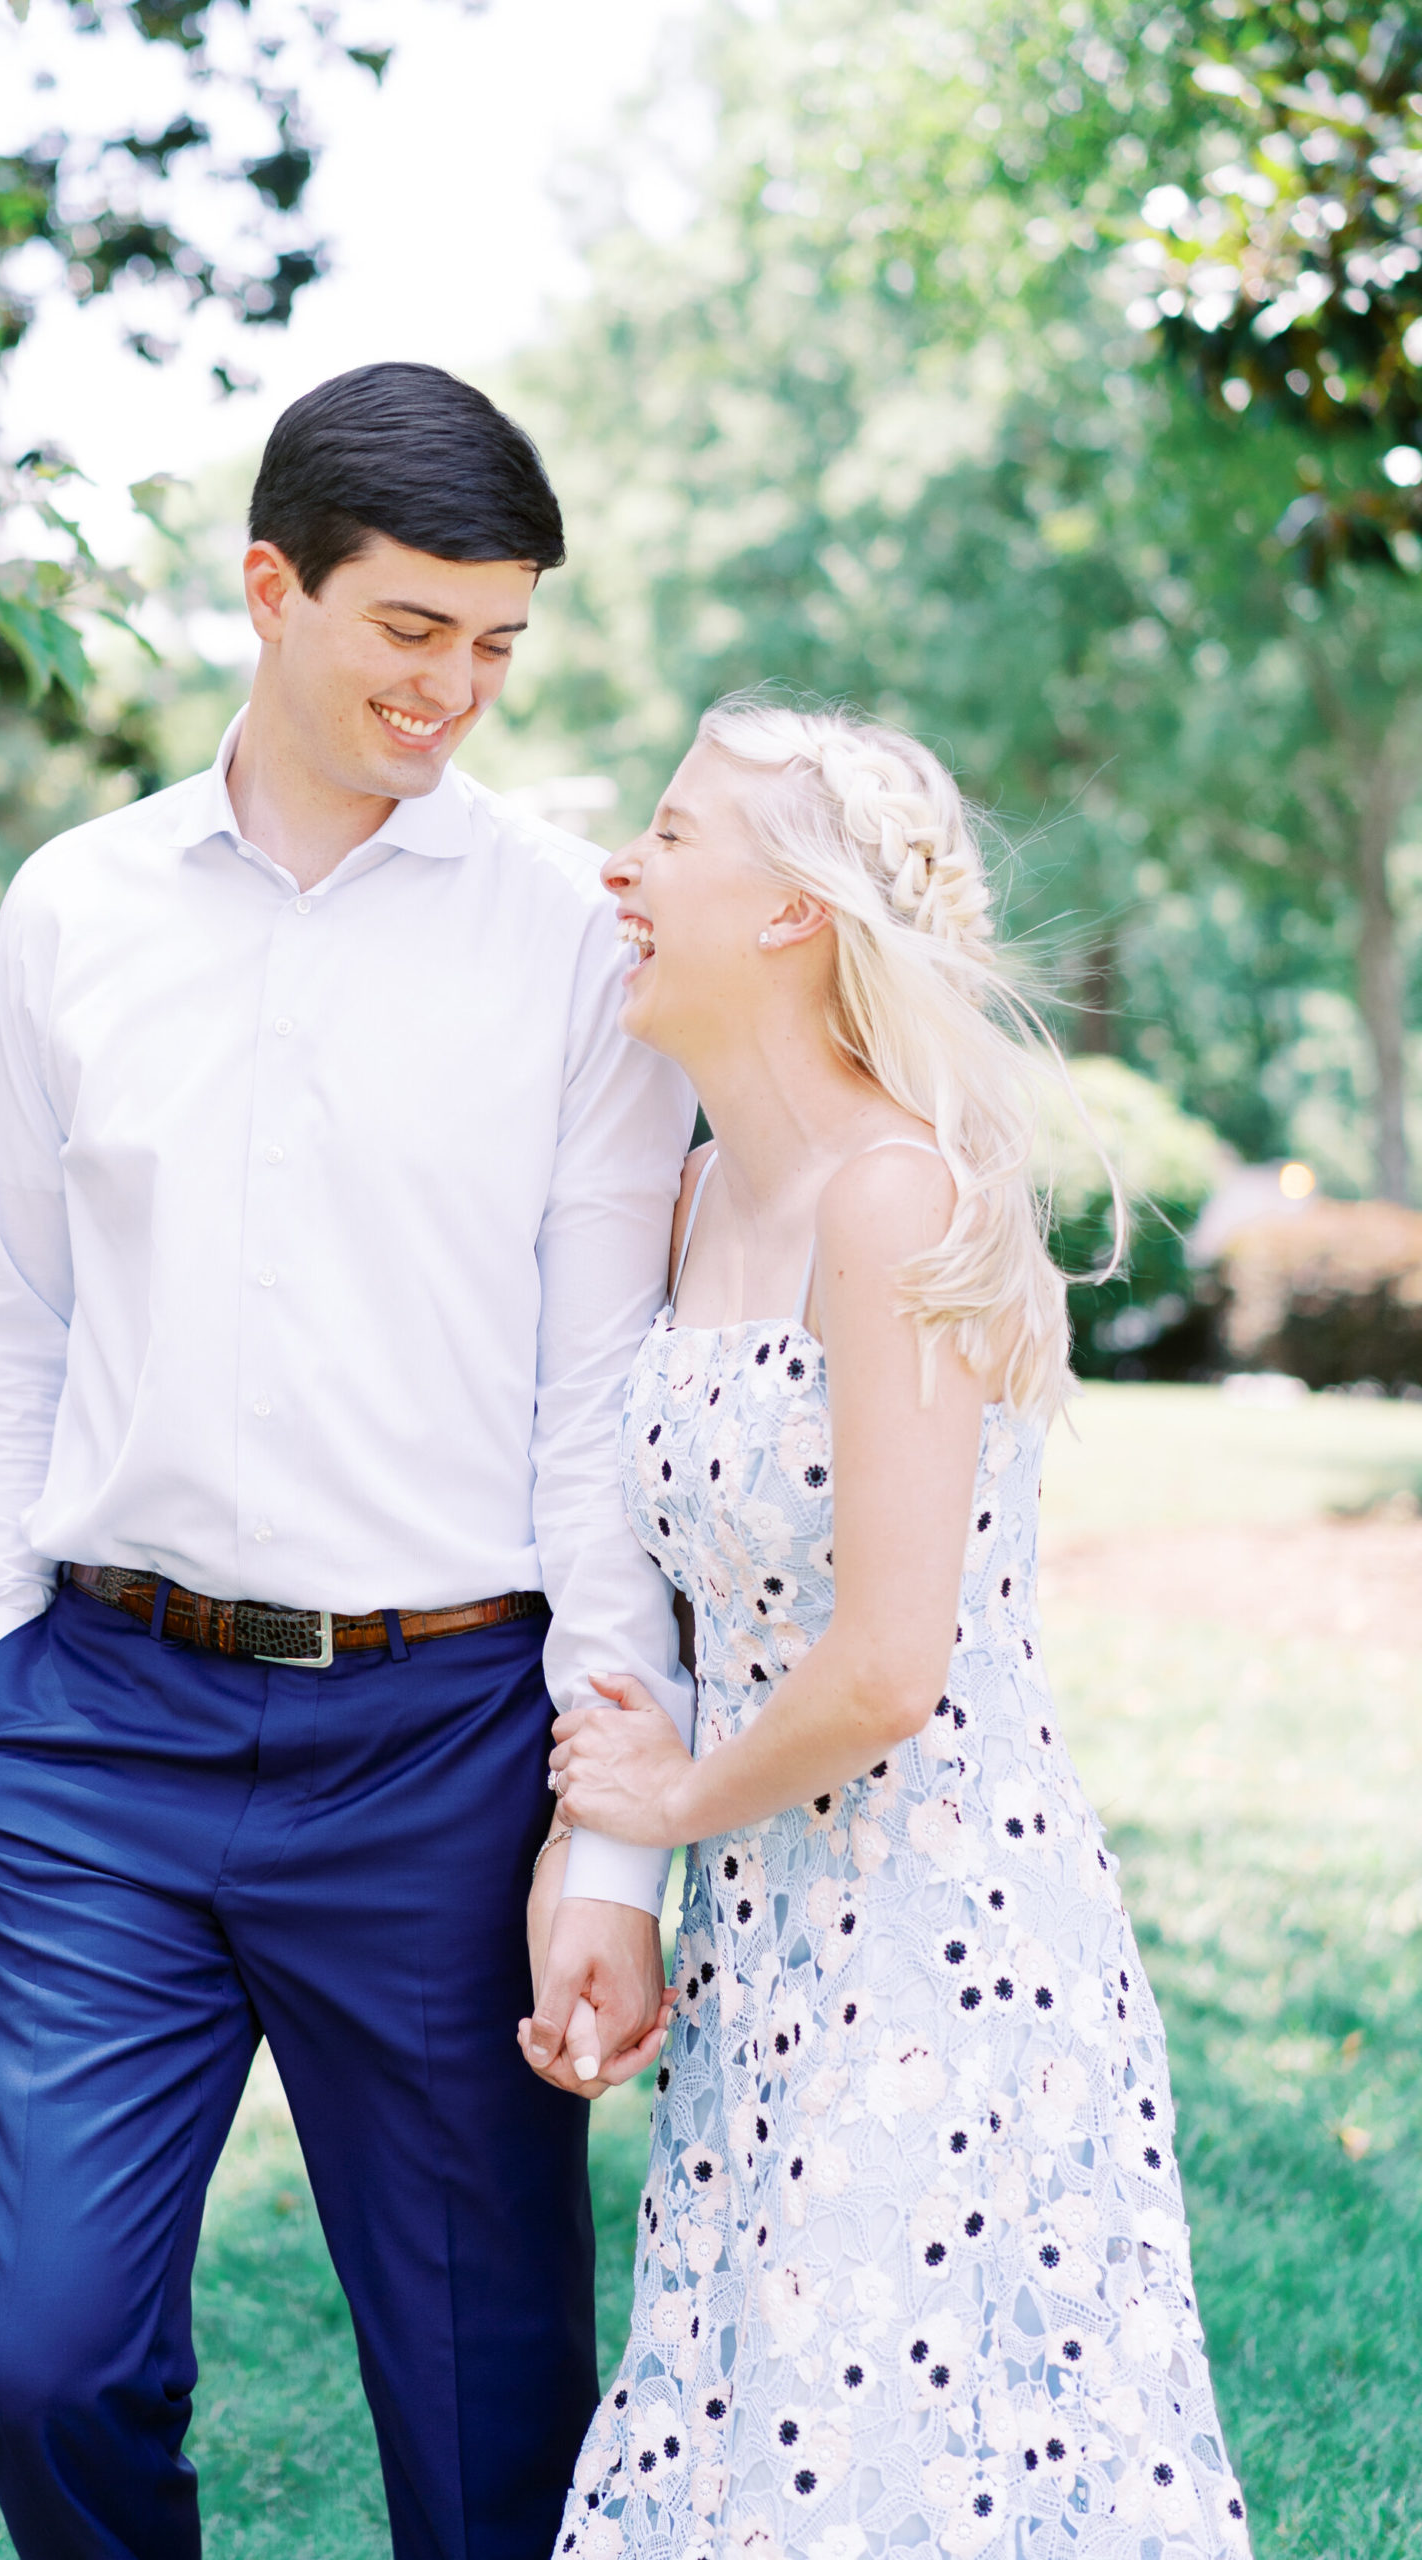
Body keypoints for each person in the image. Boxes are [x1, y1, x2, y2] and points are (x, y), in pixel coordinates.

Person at [0, 361, 696, 2560]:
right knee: (54, 2352)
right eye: (410, 630)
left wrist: (607, 1836)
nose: (456, 687)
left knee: (489, 2406)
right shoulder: (77, 909)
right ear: (271, 589)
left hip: (439, 1739)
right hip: (95, 1729)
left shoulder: (566, 928)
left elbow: (595, 1397)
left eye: (497, 643)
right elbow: (10, 1321)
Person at [533, 698, 1251, 2558]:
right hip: (773, 1926)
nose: (628, 866)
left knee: (897, 2451)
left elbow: (887, 1663)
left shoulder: (894, 1193)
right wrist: (632, 1850)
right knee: (771, 2417)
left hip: (941, 1921)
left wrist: (672, 1803)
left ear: (789, 913)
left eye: (675, 835)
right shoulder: (701, 1193)